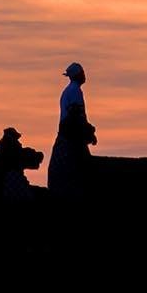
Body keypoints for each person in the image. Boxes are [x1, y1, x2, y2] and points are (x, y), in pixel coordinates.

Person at [49, 62, 96, 196]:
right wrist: (88, 132)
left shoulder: (68, 91)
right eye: (82, 73)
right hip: (72, 137)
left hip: (67, 136)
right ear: (78, 75)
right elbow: (77, 115)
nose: (84, 75)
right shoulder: (75, 91)